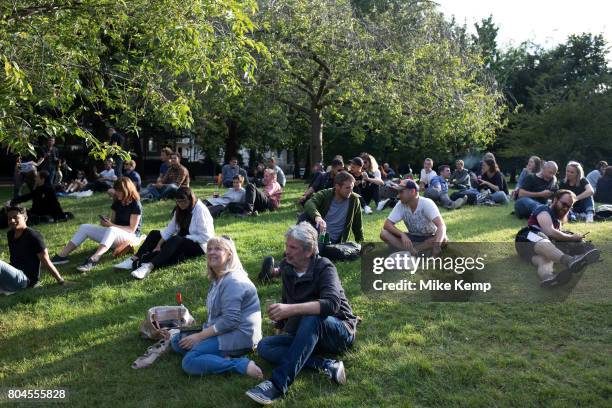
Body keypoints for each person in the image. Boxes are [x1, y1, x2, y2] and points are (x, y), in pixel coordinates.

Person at [245, 222, 357, 405]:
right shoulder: (287, 267)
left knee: (313, 317)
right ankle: (327, 365)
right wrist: (281, 324)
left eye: (293, 247)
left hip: (338, 332)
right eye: (287, 246)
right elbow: (286, 298)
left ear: (309, 250)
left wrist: (291, 309)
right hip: (308, 335)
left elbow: (331, 304)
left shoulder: (324, 267)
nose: (287, 251)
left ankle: (277, 384)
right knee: (265, 346)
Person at [170, 236, 263, 379]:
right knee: (177, 342)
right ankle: (216, 356)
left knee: (189, 361)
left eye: (218, 249)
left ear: (229, 254)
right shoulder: (218, 278)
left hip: (240, 335)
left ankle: (239, 364)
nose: (211, 252)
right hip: (224, 330)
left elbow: (230, 321)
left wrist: (199, 336)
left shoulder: (234, 281)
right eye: (209, 249)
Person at [115, 187, 214, 279]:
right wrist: (159, 244)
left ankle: (149, 266)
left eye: (182, 201)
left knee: (175, 239)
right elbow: (170, 229)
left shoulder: (200, 211)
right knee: (154, 234)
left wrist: (186, 237)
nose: (180, 204)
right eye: (177, 202)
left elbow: (207, 237)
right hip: (182, 240)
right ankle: (134, 258)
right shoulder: (179, 209)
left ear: (190, 199)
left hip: (199, 245)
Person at [51, 177, 143, 272]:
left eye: (119, 191)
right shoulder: (117, 202)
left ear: (127, 190)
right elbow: (113, 222)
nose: (116, 193)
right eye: (116, 190)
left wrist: (111, 225)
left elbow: (131, 229)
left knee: (112, 229)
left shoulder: (135, 204)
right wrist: (106, 222)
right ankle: (62, 256)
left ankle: (94, 259)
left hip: (131, 237)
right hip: (115, 235)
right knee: (84, 227)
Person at [515, 190, 600, 287]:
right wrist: (572, 237)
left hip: (527, 254)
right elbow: (549, 231)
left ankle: (548, 278)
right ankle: (570, 261)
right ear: (555, 199)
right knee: (543, 240)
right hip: (527, 237)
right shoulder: (543, 209)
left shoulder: (558, 223)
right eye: (563, 204)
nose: (565, 208)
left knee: (545, 259)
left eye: (568, 207)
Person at [0, 206, 66, 295]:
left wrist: (61, 281)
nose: (12, 221)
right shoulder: (10, 234)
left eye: (15, 217)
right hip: (13, 276)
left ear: (25, 218)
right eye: (9, 218)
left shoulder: (34, 236)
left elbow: (46, 261)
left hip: (25, 281)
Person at [380, 180, 447, 256]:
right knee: (384, 233)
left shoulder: (426, 203)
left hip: (429, 237)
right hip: (412, 237)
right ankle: (416, 251)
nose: (398, 196)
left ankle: (410, 251)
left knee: (443, 238)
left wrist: (437, 245)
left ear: (412, 191)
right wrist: (402, 234)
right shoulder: (400, 204)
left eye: (401, 192)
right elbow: (387, 224)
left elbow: (441, 226)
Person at [303, 171, 364, 244]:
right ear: (337, 186)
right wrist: (317, 217)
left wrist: (361, 244)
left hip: (337, 243)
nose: (351, 191)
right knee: (303, 217)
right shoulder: (325, 194)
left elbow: (358, 226)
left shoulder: (354, 200)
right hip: (320, 236)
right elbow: (309, 203)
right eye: (347, 188)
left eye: (352, 187)